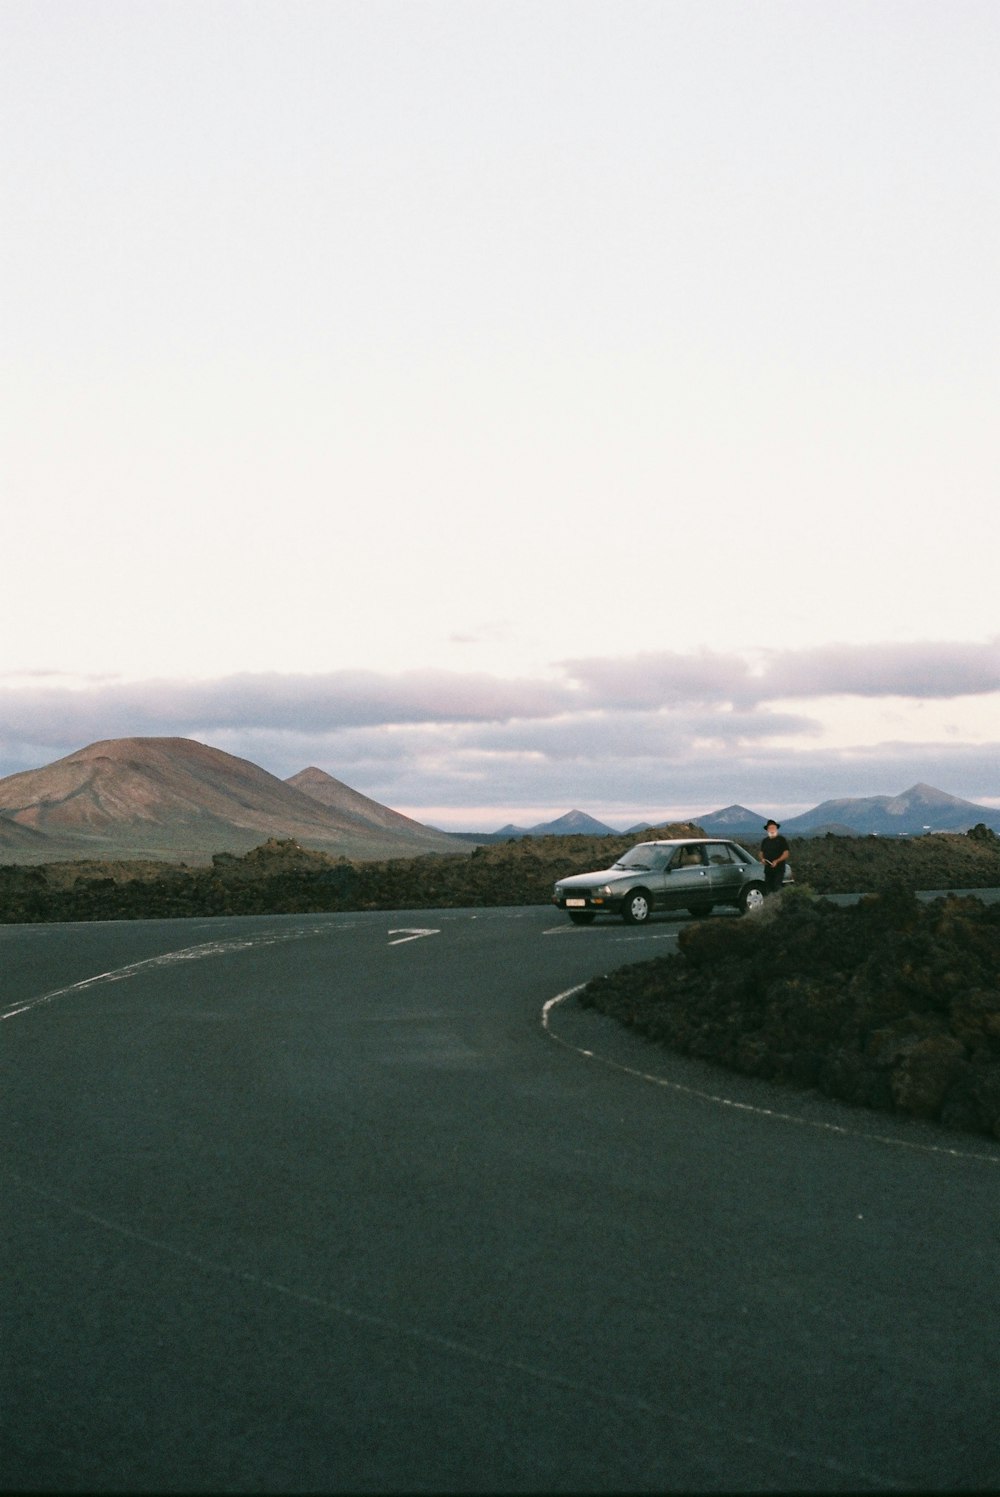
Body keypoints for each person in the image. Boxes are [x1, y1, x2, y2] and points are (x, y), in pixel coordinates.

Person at [759, 819, 790, 896]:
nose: (772, 830)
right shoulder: (765, 841)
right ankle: (770, 905)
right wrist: (762, 859)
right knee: (768, 888)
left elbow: (786, 853)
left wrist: (777, 861)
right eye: (770, 828)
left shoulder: (781, 840)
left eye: (774, 828)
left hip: (779, 869)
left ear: (776, 829)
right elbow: (761, 853)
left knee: (777, 887)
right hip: (768, 869)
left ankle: (778, 904)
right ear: (767, 830)